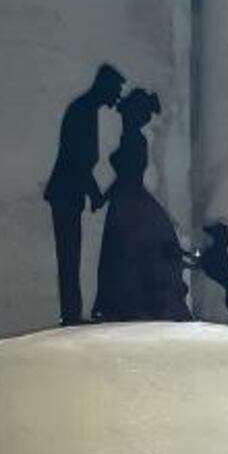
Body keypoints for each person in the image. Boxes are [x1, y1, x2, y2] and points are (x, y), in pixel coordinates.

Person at [92, 88, 191, 323]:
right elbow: (124, 178)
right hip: (125, 202)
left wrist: (103, 197)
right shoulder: (131, 139)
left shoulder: (135, 140)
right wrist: (104, 198)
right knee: (122, 257)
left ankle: (129, 306)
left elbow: (126, 176)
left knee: (127, 256)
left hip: (128, 204)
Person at [43, 64, 124, 326]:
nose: (117, 97)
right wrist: (96, 194)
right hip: (66, 194)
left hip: (68, 194)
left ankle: (72, 313)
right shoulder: (84, 111)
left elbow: (82, 161)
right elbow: (80, 160)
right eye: (115, 91)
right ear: (105, 86)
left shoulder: (85, 109)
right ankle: (71, 315)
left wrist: (94, 194)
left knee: (71, 255)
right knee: (69, 255)